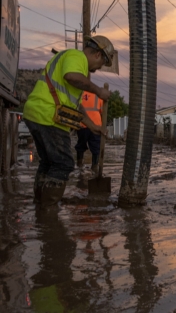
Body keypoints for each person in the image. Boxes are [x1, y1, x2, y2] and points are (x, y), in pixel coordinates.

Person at [23, 35, 114, 208]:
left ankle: (40, 204)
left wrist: (92, 126)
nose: (100, 67)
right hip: (48, 116)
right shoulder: (77, 57)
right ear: (97, 55)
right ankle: (48, 211)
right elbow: (71, 76)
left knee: (49, 163)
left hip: (37, 113)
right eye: (103, 63)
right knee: (63, 163)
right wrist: (98, 91)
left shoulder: (70, 60)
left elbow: (76, 105)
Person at [75, 91, 104, 174]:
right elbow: (102, 111)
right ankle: (95, 167)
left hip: (82, 124)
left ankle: (79, 165)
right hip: (96, 126)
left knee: (81, 145)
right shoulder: (98, 95)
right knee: (96, 147)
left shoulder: (79, 93)